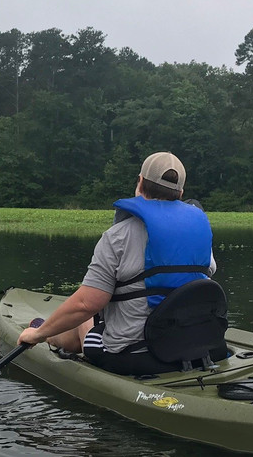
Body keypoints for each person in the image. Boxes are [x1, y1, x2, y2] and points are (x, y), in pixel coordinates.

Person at [17, 151, 216, 375]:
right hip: (193, 350)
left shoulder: (117, 236)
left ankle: (43, 332)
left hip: (135, 356)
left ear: (140, 183)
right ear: (180, 193)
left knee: (89, 312)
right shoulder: (200, 232)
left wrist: (37, 336)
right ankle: (48, 331)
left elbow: (86, 304)